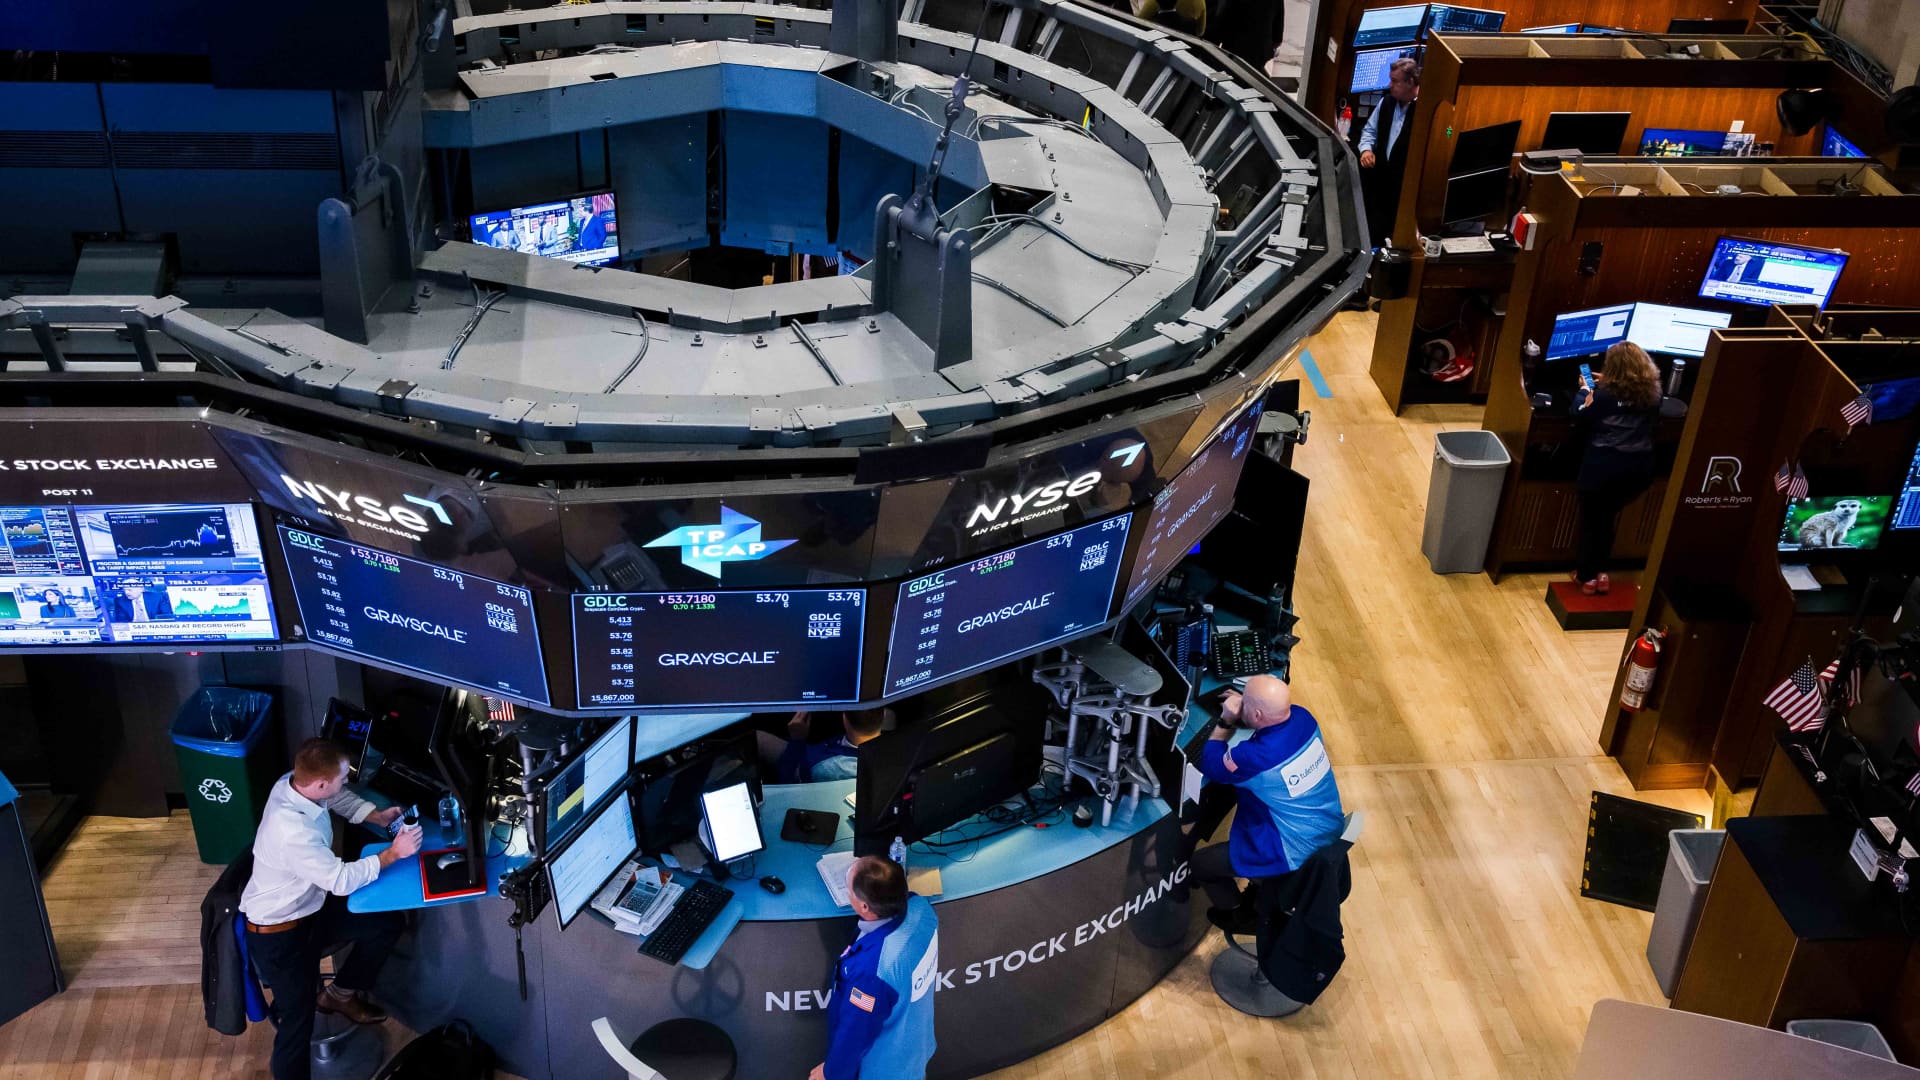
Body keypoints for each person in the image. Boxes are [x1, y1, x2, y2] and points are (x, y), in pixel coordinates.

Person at [241, 738, 421, 1080]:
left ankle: (339, 995)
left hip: (309, 911)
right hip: (280, 936)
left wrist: (376, 815)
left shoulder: (292, 784)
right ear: (321, 783)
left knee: (385, 925)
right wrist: (393, 854)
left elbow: (335, 797)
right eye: (342, 777)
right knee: (297, 1027)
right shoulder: (292, 831)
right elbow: (339, 880)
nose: (346, 781)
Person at [1191, 674, 1344, 929]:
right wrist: (1249, 709)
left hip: (1289, 851)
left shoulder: (1256, 758)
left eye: (1245, 701)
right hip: (1326, 829)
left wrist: (1226, 720)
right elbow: (1271, 730)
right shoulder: (1304, 718)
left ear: (1258, 715)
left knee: (1201, 864)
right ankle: (1259, 893)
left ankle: (1240, 916)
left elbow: (1212, 764)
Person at [811, 856, 939, 1080]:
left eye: (849, 889)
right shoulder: (922, 910)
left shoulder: (873, 973)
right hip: (913, 1049)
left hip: (882, 1069)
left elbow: (855, 1033)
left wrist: (830, 1072)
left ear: (864, 906)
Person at [1571, 342, 1662, 595]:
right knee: (1607, 518)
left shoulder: (1602, 397)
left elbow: (1579, 412)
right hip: (1637, 473)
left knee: (1593, 522)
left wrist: (1586, 388)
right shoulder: (1654, 395)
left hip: (1603, 470)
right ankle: (1601, 572)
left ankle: (1587, 577)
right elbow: (1626, 401)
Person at [1356, 57, 1420, 248]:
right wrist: (1366, 150)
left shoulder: (1423, 110)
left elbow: (1447, 133)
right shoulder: (1387, 102)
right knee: (1372, 233)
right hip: (1380, 183)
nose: (1390, 85)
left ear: (1410, 82)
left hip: (1404, 190)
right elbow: (1369, 131)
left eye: (1395, 81)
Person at [760, 709, 888, 784]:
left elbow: (788, 782)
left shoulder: (824, 769)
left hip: (799, 757)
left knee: (758, 737)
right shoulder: (894, 753)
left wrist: (797, 741)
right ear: (884, 714)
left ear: (844, 718)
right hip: (819, 750)